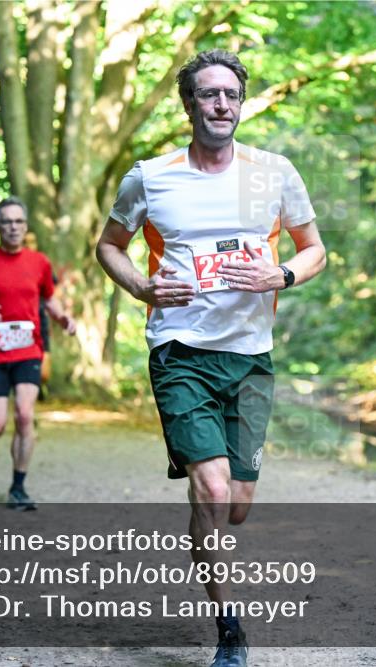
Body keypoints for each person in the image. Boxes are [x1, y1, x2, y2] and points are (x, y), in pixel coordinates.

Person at [96, 49, 326, 667]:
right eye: (208, 94)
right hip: (180, 351)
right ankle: (230, 629)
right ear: (189, 103)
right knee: (214, 488)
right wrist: (141, 287)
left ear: (240, 104)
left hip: (250, 356)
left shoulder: (275, 172)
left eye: (230, 95)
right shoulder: (151, 177)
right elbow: (109, 246)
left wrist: (281, 274)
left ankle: (205, 512)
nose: (221, 105)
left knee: (236, 506)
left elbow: (314, 249)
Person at [0, 197, 76, 511]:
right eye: (7, 222)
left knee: (25, 415)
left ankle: (18, 487)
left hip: (28, 350)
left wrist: (62, 318)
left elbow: (49, 299)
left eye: (19, 222)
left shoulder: (39, 263)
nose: (13, 227)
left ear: (26, 226)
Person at [23, 231, 58, 400]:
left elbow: (53, 289)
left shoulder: (42, 263)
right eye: (25, 242)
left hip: (39, 321)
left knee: (44, 372)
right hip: (18, 322)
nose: (28, 245)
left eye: (32, 242)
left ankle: (39, 385)